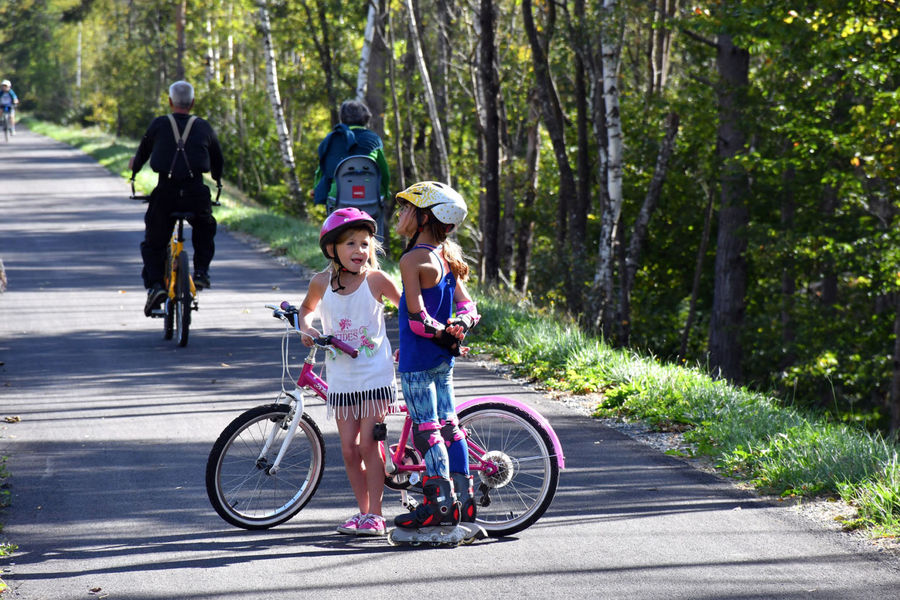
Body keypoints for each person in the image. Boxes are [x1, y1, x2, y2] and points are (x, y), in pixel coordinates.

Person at [298, 207, 402, 536]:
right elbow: (306, 310)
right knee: (348, 448)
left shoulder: (376, 280)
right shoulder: (321, 282)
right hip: (342, 380)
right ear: (332, 249)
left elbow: (410, 310)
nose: (360, 250)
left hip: (375, 375)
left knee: (369, 445)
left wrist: (415, 344)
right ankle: (362, 511)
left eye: (365, 243)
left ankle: (377, 514)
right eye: (351, 244)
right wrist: (306, 328)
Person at [392, 181, 481, 530]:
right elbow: (469, 307)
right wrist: (459, 326)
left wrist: (443, 330)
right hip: (444, 360)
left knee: (427, 432)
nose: (401, 215)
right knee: (450, 427)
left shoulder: (413, 259)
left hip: (417, 361)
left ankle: (438, 506)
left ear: (426, 216)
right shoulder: (445, 257)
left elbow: (416, 320)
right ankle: (464, 502)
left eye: (407, 209)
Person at [129, 81, 223, 317]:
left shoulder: (159, 124)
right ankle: (201, 272)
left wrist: (134, 171)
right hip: (196, 192)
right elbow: (217, 160)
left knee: (154, 242)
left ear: (171, 102)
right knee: (205, 227)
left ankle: (156, 287)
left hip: (165, 192)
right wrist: (217, 180)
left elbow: (142, 153)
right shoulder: (203, 127)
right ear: (192, 103)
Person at [313, 99, 390, 207]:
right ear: (366, 118)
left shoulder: (330, 140)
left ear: (342, 118)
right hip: (369, 196)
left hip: (338, 198)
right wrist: (386, 193)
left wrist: (316, 189)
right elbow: (384, 171)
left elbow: (321, 171)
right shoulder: (374, 139)